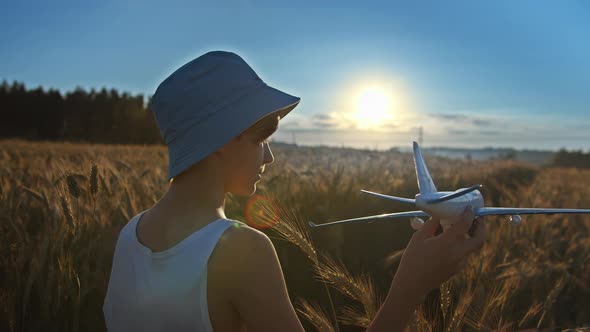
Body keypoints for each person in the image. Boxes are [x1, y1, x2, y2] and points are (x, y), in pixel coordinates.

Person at [103, 51, 486, 331]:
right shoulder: (239, 250)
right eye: (261, 139)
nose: (269, 156)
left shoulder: (129, 236)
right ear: (219, 140)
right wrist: (411, 285)